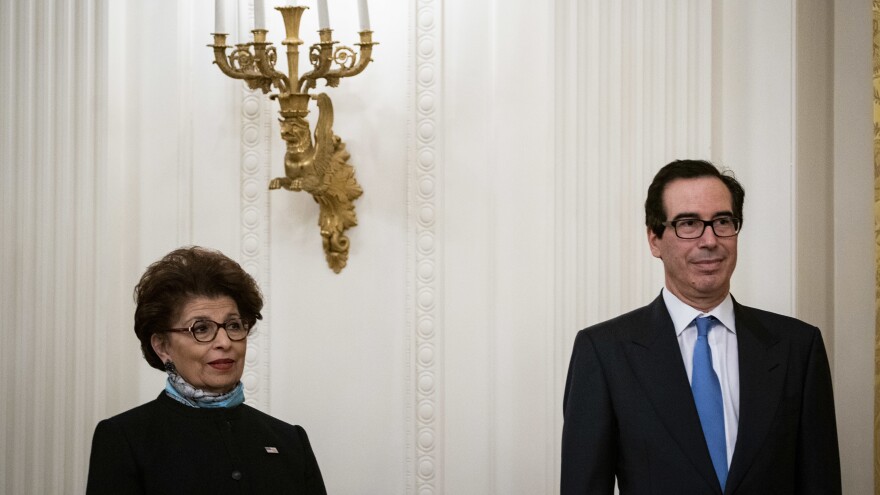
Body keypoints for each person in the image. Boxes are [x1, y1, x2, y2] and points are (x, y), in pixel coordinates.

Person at [561, 160, 840, 494]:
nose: (710, 240)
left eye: (722, 221)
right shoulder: (604, 352)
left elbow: (820, 481)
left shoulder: (798, 347)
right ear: (654, 239)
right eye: (688, 224)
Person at [86, 246, 327, 494]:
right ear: (162, 346)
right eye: (201, 328)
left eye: (233, 325)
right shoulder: (124, 439)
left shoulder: (289, 440)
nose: (224, 341)